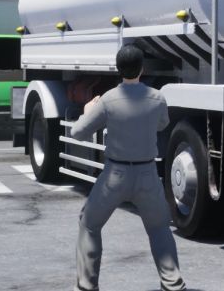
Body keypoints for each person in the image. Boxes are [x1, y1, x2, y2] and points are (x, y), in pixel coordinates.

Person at [71, 44, 186, 291]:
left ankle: (87, 286)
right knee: (159, 228)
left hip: (115, 175)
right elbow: (162, 124)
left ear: (118, 69)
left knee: (89, 224)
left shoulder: (108, 100)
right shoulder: (157, 97)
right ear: (142, 69)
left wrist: (87, 111)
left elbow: (78, 132)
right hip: (147, 174)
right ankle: (173, 284)